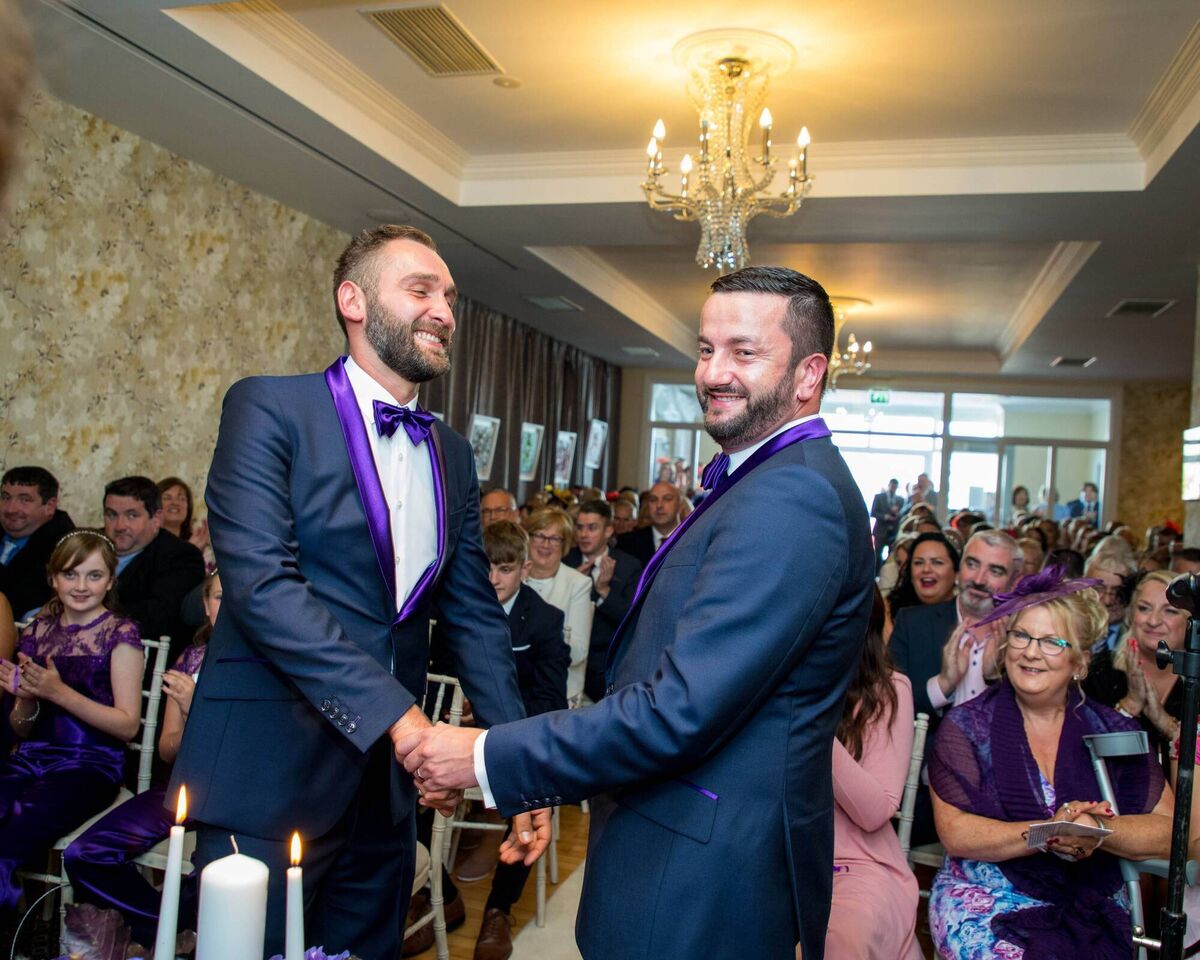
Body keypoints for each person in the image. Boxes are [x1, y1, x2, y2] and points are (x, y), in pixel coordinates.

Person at [400, 264, 875, 959]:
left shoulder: (791, 497)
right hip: (677, 839)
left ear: (808, 375)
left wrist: (483, 754)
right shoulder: (768, 481)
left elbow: (679, 710)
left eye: (744, 352)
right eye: (706, 349)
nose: (714, 373)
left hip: (701, 869)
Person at [170, 224, 532, 960]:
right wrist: (404, 725)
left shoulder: (453, 456)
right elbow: (263, 587)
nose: (445, 312)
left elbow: (471, 616)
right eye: (421, 290)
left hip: (386, 795)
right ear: (354, 301)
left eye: (451, 299)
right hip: (267, 772)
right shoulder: (268, 408)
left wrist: (514, 762)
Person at [928, 567, 1173, 958]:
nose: (1030, 651)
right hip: (987, 897)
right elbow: (956, 833)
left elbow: (1166, 831)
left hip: (1090, 900)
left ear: (1080, 663)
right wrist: (1047, 833)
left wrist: (1098, 828)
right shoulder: (967, 726)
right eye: (1022, 635)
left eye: (1050, 641)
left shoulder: (1113, 730)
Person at [64, 570, 219, 944]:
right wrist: (185, 714)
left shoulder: (267, 662)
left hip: (236, 797)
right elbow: (168, 748)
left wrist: (200, 708)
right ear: (204, 604)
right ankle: (166, 932)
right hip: (183, 786)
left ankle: (184, 931)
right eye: (217, 597)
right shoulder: (193, 657)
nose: (226, 606)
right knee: (84, 854)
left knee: (213, 881)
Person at [0, 531, 144, 914]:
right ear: (53, 578)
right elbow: (21, 727)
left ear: (111, 581)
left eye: (94, 576)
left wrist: (57, 692)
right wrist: (26, 699)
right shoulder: (36, 632)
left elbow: (129, 726)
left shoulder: (120, 633)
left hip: (89, 765)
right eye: (70, 574)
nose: (81, 586)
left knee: (7, 843)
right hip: (32, 758)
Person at [825, 588, 921, 960]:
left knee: (844, 937)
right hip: (771, 860)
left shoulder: (888, 690)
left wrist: (812, 724)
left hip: (855, 865)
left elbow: (875, 810)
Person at [1084, 570, 1186, 771]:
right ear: (1131, 615)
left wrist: (1166, 724)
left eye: (1170, 611)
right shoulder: (1098, 671)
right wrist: (1128, 706)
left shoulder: (1195, 683)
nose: (1153, 621)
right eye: (1144, 608)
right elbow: (1083, 756)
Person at [103, 476, 205, 663]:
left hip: (141, 665)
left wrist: (88, 618)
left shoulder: (181, 556)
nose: (119, 525)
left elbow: (155, 618)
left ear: (156, 518)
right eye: (111, 514)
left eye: (132, 515)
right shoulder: (92, 545)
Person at [563, 500, 643, 703]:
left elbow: (632, 618)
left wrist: (603, 591)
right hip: (566, 662)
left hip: (606, 667)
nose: (584, 534)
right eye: (580, 528)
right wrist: (571, 584)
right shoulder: (566, 562)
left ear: (608, 531)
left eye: (592, 528)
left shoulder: (628, 566)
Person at [524, 508, 593, 705]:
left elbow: (579, 651)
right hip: (513, 682)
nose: (546, 544)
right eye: (539, 536)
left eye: (555, 539)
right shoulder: (512, 578)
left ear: (565, 546)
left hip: (557, 687)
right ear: (528, 539)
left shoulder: (578, 584)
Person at [0, 466, 76, 621]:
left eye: (25, 500)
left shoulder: (66, 549)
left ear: (49, 506)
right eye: (6, 497)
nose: (11, 509)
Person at [886, 531, 959, 623]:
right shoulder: (890, 610)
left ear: (957, 573)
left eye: (937, 562)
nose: (926, 569)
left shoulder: (969, 613)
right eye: (918, 563)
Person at [616, 480, 681, 566]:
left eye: (667, 499)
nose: (659, 505)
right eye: (653, 500)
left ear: (679, 505)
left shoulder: (697, 541)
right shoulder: (626, 543)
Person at [870, 479, 903, 572]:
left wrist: (897, 514)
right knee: (877, 553)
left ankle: (886, 574)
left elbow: (902, 514)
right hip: (881, 530)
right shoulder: (879, 497)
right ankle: (875, 574)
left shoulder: (900, 500)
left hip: (893, 532)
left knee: (891, 555)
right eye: (892, 486)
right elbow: (873, 512)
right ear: (889, 485)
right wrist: (885, 516)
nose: (893, 488)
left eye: (895, 487)